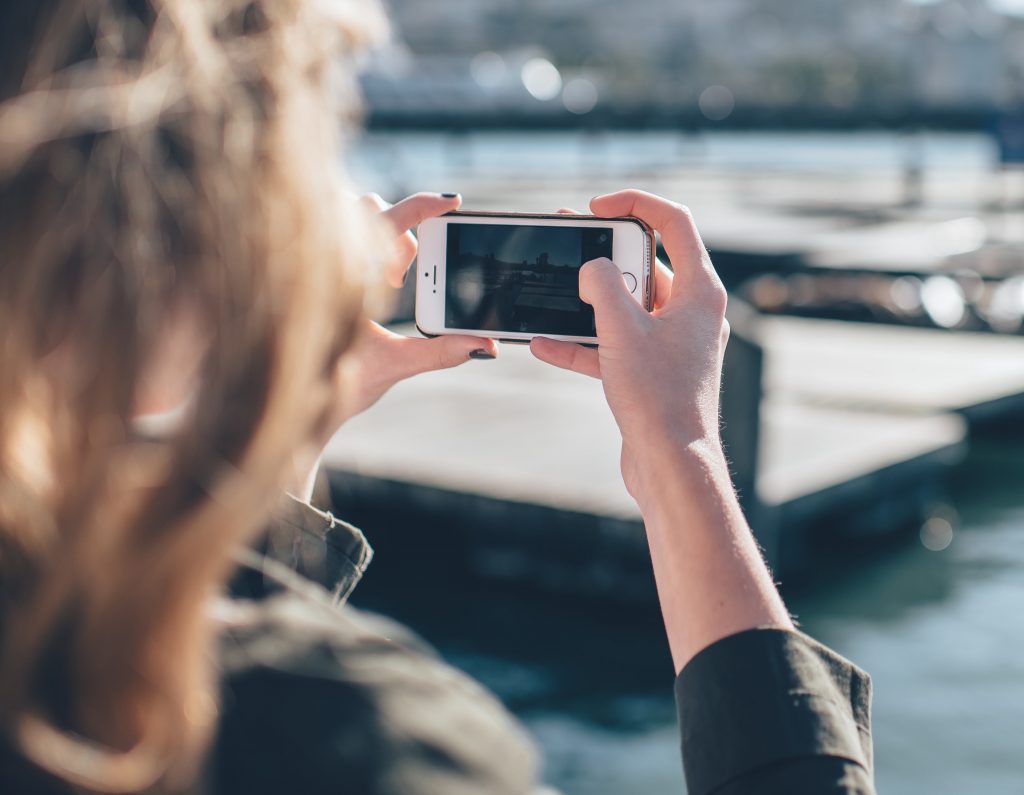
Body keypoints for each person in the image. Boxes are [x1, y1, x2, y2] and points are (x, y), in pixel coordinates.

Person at [0, 1, 875, 793]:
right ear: (195, 209)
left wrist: (291, 414)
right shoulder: (362, 738)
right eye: (318, 133)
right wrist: (678, 446)